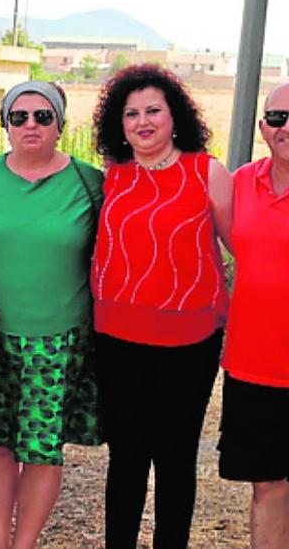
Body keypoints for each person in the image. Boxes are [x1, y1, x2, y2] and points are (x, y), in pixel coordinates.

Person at [0, 80, 105, 549]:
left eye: (43, 116)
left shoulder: (89, 182)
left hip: (59, 338)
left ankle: (25, 544)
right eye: (19, 117)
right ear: (6, 126)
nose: (31, 125)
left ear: (60, 124)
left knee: (41, 447)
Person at [90, 64, 232, 549]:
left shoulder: (206, 171)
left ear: (176, 116)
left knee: (175, 459)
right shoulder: (113, 177)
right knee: (126, 458)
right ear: (119, 124)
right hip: (116, 340)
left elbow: (240, 247)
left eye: (154, 110)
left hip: (188, 343)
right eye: (131, 113)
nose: (143, 121)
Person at [218, 82, 289, 549]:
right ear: (263, 127)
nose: (286, 127)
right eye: (277, 118)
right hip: (254, 363)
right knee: (267, 486)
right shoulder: (242, 181)